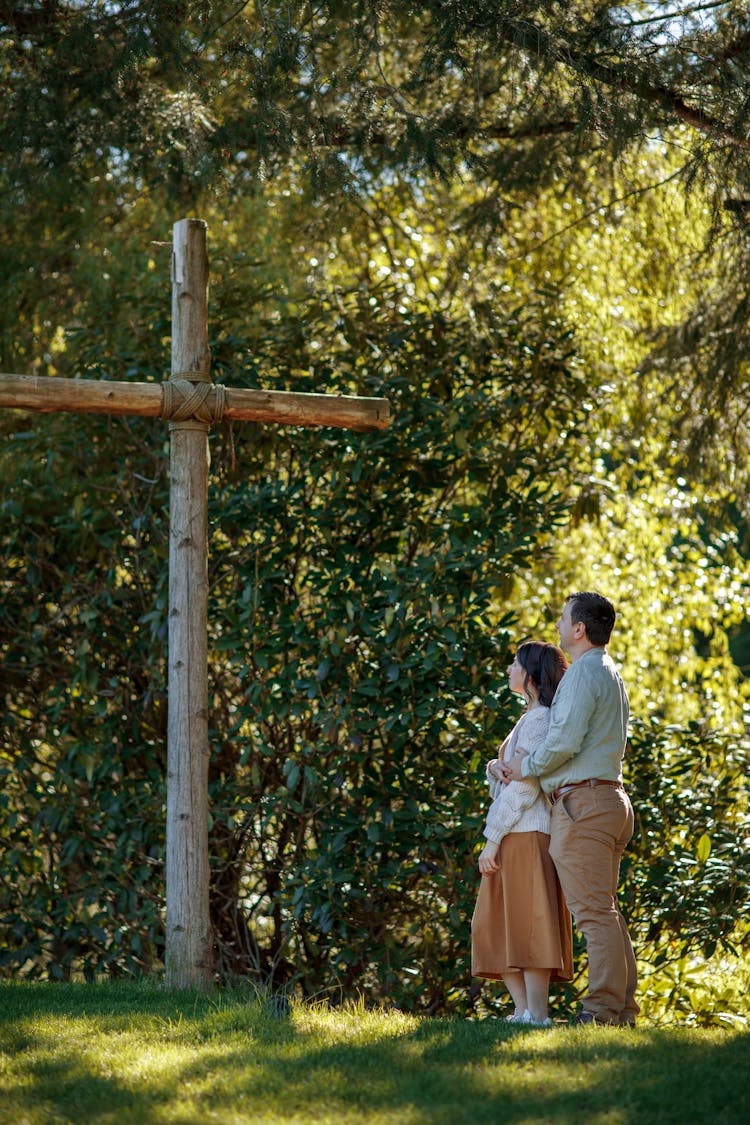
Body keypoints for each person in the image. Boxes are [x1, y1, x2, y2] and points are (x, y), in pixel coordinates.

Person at [501, 592, 639, 1027]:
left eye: (563, 619)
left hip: (584, 803)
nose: (559, 626)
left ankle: (600, 1013)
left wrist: (526, 767)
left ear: (579, 629)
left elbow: (563, 741)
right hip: (610, 799)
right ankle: (622, 1011)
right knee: (607, 911)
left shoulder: (582, 674)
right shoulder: (610, 673)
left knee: (595, 914)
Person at [471, 640, 573, 1025]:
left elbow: (527, 786)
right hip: (514, 832)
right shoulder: (527, 717)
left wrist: (491, 839)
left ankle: (539, 1014)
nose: (509, 671)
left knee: (528, 924)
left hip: (526, 834)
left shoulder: (541, 718)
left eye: (514, 665)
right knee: (495, 924)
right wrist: (494, 767)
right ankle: (524, 1011)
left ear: (530, 675)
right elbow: (512, 771)